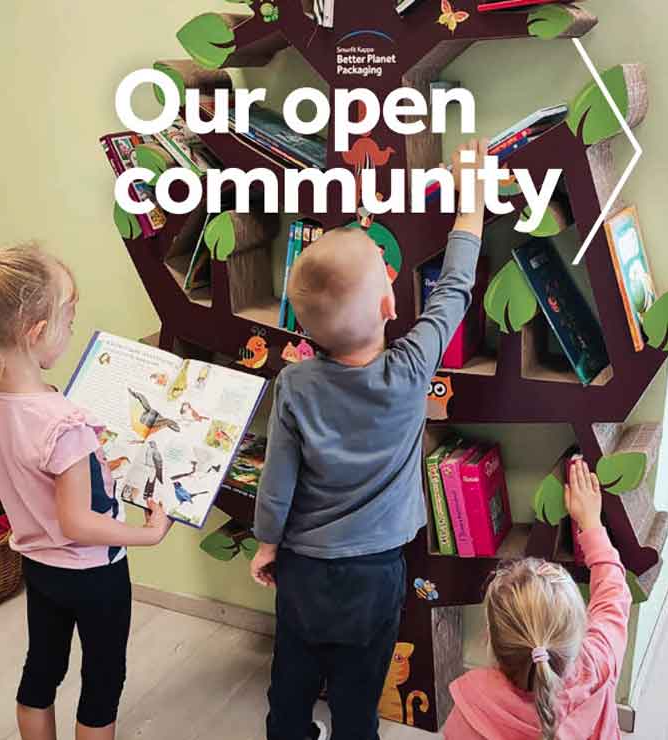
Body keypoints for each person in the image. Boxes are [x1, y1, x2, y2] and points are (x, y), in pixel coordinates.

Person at [250, 139, 489, 740]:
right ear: (389, 303)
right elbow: (454, 290)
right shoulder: (410, 370)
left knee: (290, 686)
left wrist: (266, 545)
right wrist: (473, 201)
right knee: (358, 700)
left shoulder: (295, 384)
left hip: (303, 568)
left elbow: (277, 483)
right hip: (376, 573)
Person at [0, 243, 173, 740]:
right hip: (95, 575)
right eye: (69, 322)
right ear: (36, 333)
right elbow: (78, 524)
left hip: (39, 568)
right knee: (102, 681)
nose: (71, 333)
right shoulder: (65, 422)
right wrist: (150, 533)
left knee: (42, 669)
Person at [445, 459, 631, 739]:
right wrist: (591, 522)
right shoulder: (599, 661)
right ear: (579, 630)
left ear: (489, 639)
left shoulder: (471, 713)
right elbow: (613, 593)